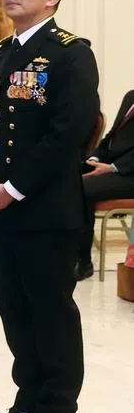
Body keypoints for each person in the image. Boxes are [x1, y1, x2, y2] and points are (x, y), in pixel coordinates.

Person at [0, 0, 99, 413]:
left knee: (50, 314)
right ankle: (26, 402)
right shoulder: (3, 54)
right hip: (0, 212)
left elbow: (68, 134)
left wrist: (13, 190)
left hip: (45, 212)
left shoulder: (70, 55)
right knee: (15, 312)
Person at [78, 88, 134, 279]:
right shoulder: (131, 96)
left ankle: (83, 260)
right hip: (110, 166)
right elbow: (111, 137)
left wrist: (112, 168)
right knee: (63, 178)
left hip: (128, 174)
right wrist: (94, 157)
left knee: (81, 189)